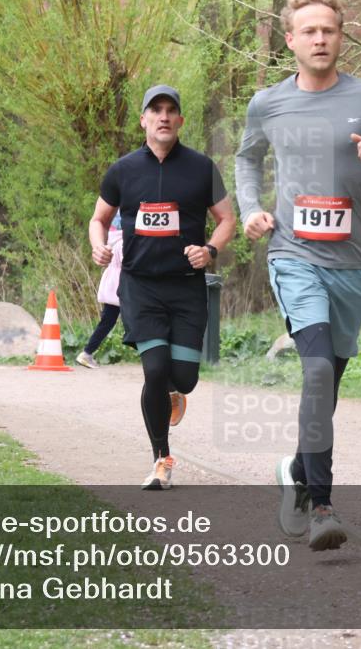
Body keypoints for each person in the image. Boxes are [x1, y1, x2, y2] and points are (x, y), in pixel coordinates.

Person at [235, 0, 361, 550]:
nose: (320, 39)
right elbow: (247, 158)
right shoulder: (267, 104)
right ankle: (322, 505)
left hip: (353, 265)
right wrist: (252, 211)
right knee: (317, 371)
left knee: (330, 381)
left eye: (330, 30)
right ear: (291, 40)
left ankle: (297, 471)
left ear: (340, 37)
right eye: (310, 31)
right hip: (293, 255)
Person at [89, 84, 235, 489]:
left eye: (172, 110)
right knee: (154, 371)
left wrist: (209, 250)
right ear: (144, 120)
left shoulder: (201, 167)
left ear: (181, 120)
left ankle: (175, 391)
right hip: (140, 287)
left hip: (187, 288)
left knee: (183, 378)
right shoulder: (122, 170)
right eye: (156, 110)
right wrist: (99, 246)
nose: (164, 117)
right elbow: (98, 219)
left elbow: (227, 219)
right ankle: (161, 460)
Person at [77, 214, 123, 370]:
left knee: (107, 321)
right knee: (135, 322)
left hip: (112, 286)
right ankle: (87, 352)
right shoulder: (123, 241)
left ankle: (87, 352)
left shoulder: (111, 239)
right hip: (122, 287)